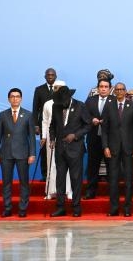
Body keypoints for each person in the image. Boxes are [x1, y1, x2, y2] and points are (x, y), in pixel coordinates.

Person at [0, 88, 37, 218]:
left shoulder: (28, 115)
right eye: (12, 96)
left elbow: (32, 137)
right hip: (5, 153)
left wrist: (32, 153)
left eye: (17, 96)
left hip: (23, 154)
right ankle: (7, 208)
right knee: (6, 182)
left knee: (24, 182)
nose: (15, 99)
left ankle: (22, 208)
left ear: (21, 99)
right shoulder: (3, 115)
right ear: (8, 99)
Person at [49, 87, 90, 217]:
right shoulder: (56, 106)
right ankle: (60, 207)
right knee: (60, 179)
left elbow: (88, 125)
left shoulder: (80, 106)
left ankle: (76, 208)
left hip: (75, 148)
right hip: (60, 148)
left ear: (69, 98)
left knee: (76, 178)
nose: (62, 104)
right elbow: (52, 126)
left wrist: (75, 135)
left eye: (64, 102)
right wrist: (52, 138)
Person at [102, 82, 133, 217]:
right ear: (114, 92)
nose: (119, 91)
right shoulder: (109, 105)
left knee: (128, 180)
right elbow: (105, 129)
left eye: (122, 89)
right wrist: (105, 146)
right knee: (113, 179)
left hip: (129, 148)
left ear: (125, 91)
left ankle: (127, 209)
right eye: (117, 90)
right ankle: (113, 209)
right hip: (112, 148)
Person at [40, 80, 72, 201]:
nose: (56, 89)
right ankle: (50, 191)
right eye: (55, 87)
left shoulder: (69, 102)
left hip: (66, 138)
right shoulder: (48, 103)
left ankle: (68, 191)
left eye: (59, 87)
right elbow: (45, 121)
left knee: (65, 165)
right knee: (51, 164)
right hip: (51, 138)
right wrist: (44, 137)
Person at [83, 79, 113, 199]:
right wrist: (91, 120)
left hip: (110, 140)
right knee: (92, 166)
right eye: (101, 86)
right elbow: (84, 115)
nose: (103, 89)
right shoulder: (90, 100)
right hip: (93, 138)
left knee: (111, 166)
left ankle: (112, 192)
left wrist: (108, 122)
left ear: (110, 88)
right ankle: (91, 191)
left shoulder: (114, 101)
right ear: (98, 88)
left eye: (106, 86)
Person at [32, 68, 57, 181]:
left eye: (52, 75)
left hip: (58, 124)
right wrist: (36, 125)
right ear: (45, 76)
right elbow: (35, 108)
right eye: (48, 75)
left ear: (55, 76)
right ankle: (45, 174)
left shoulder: (60, 89)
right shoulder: (39, 90)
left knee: (57, 149)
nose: (50, 76)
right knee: (44, 150)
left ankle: (56, 174)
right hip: (44, 124)